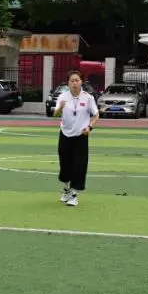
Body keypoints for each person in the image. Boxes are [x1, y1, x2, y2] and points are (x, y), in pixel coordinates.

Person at [53, 70, 98, 207]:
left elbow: (96, 115)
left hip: (81, 136)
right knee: (65, 165)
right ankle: (66, 189)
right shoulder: (62, 96)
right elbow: (55, 115)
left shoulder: (88, 98)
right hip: (65, 134)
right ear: (68, 82)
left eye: (77, 80)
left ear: (81, 82)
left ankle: (74, 194)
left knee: (79, 165)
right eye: (72, 80)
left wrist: (89, 127)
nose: (74, 83)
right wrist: (60, 108)